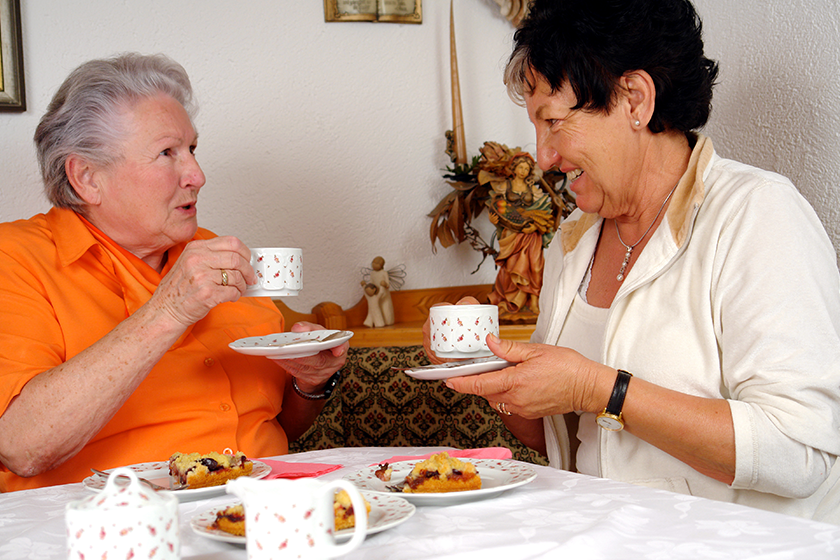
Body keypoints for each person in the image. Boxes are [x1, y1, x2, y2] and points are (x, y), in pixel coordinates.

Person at [425, 0, 840, 524]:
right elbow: (565, 439)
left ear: (635, 100)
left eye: (554, 121)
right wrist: (492, 376)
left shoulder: (756, 215)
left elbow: (800, 453)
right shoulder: (572, 241)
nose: (542, 155)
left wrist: (602, 389)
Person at [0, 53, 347, 492]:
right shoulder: (15, 259)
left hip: (269, 510)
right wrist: (169, 309)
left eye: (192, 149)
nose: (197, 175)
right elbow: (22, 446)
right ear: (87, 177)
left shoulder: (215, 253)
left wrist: (309, 384)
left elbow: (276, 425)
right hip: (119, 527)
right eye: (167, 153)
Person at [483, 153, 556, 320]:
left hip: (532, 235)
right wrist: (493, 220)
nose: (523, 171)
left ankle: (534, 302)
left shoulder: (534, 190)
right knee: (512, 268)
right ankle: (509, 300)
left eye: (527, 168)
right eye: (520, 167)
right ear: (514, 168)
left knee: (535, 267)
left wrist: (535, 225)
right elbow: (499, 210)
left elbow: (543, 211)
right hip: (512, 235)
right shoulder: (504, 187)